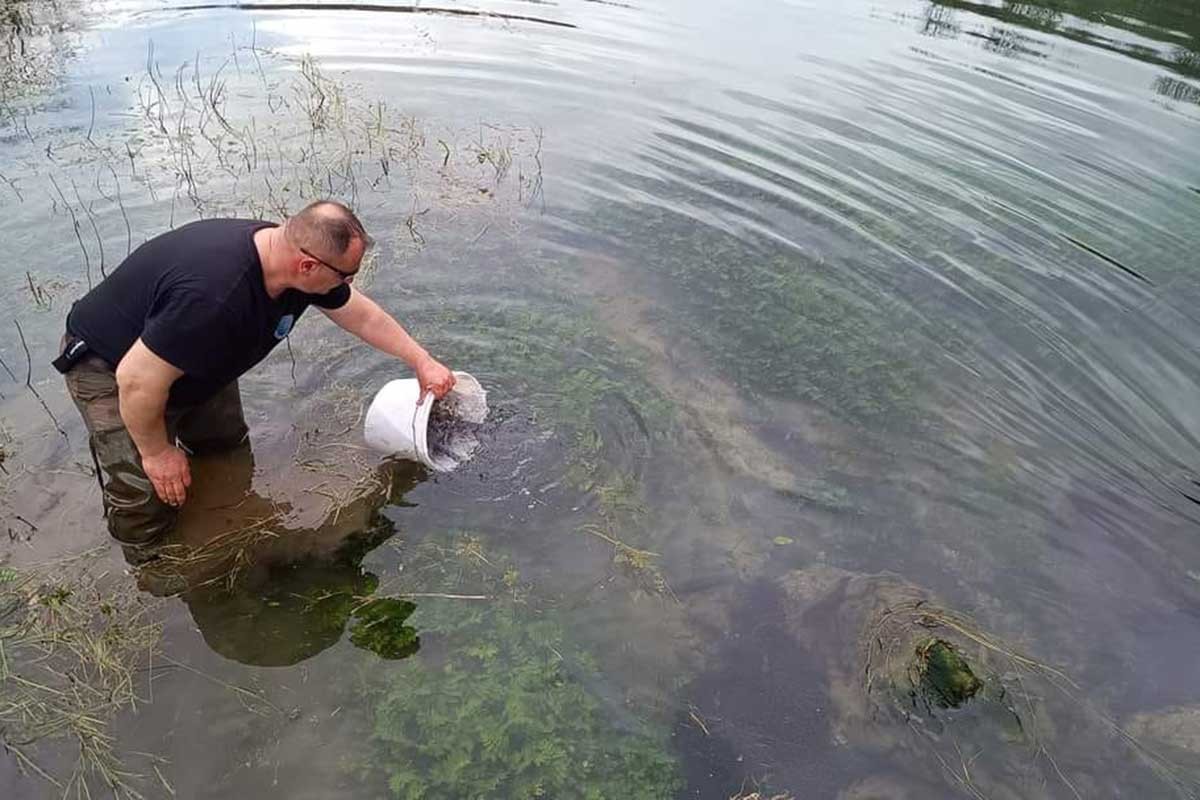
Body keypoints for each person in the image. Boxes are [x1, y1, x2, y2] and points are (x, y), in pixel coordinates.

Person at [53, 200, 455, 559]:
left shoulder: (292, 262)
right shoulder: (214, 296)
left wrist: (421, 360)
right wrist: (157, 453)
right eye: (345, 275)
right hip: (114, 368)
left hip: (196, 356)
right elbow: (136, 379)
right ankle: (150, 564)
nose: (348, 284)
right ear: (308, 265)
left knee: (224, 445)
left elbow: (361, 315)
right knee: (142, 486)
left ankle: (224, 510)